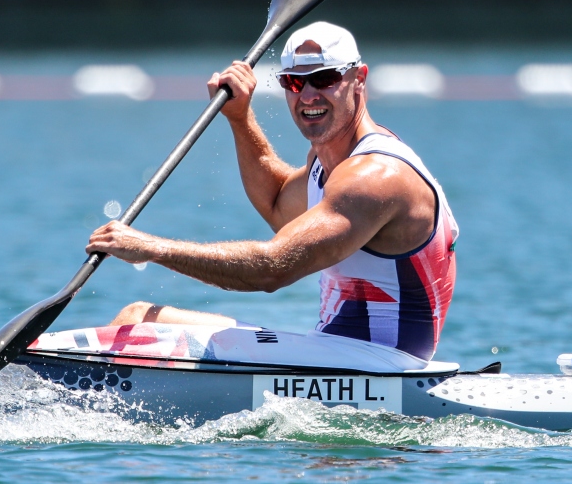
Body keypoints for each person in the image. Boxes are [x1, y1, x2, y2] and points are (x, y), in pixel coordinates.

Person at [86, 21, 458, 369]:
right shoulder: (327, 163)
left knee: (136, 330)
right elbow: (278, 202)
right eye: (294, 83)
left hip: (381, 367)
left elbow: (272, 269)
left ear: (359, 78)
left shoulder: (375, 177)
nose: (309, 95)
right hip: (337, 356)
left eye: (324, 79)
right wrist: (239, 116)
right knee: (137, 318)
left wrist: (153, 248)